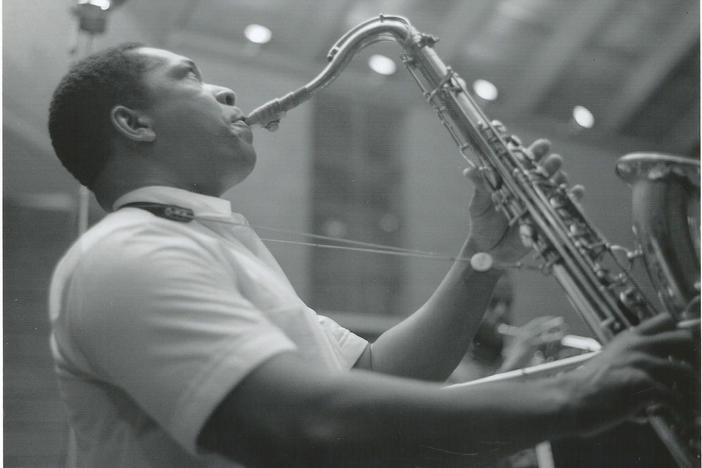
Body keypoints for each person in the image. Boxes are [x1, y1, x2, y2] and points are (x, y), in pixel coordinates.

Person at [47, 43, 695, 468]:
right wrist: (574, 399)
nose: (222, 92)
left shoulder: (211, 244)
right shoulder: (126, 256)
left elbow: (378, 374)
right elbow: (300, 423)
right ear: (134, 123)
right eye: (189, 77)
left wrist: (483, 257)